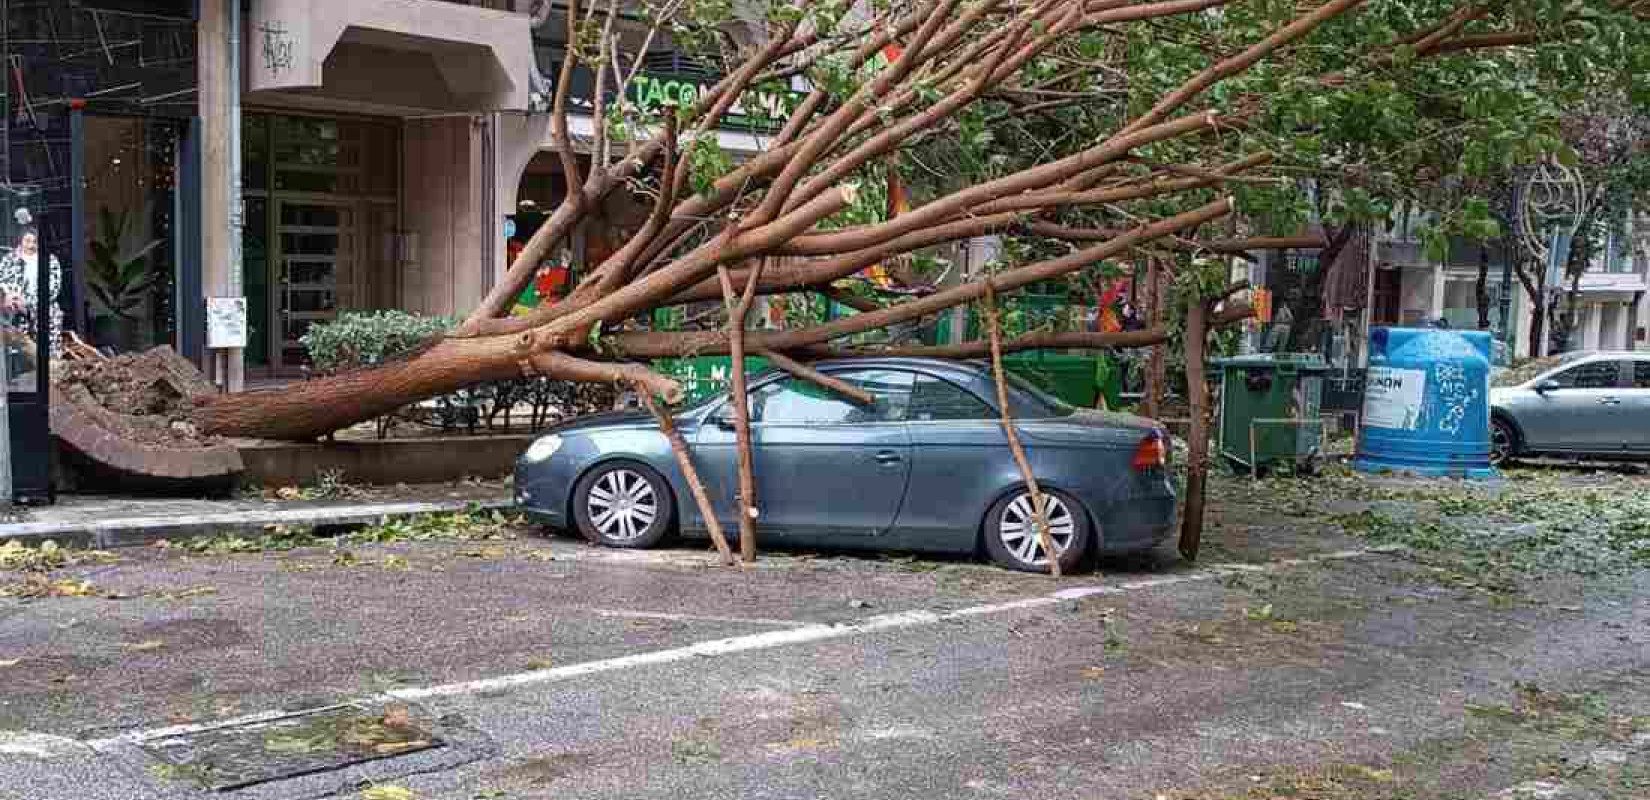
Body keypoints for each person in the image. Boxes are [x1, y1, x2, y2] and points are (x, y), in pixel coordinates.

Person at [0, 227, 63, 360]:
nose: (31, 245)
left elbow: (53, 288)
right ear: (21, 241)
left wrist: (28, 302)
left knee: (48, 356)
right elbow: (2, 281)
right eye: (27, 241)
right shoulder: (9, 260)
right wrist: (9, 298)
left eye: (35, 241)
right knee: (22, 355)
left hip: (45, 311)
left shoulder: (50, 260)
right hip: (16, 312)